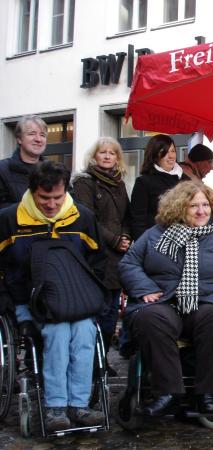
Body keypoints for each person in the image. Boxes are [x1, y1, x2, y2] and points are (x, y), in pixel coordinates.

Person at [119, 181, 213, 417]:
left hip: (212, 300)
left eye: (205, 205)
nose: (201, 211)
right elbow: (128, 263)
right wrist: (143, 287)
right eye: (193, 206)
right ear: (178, 208)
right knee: (149, 318)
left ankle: (209, 393)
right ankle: (166, 392)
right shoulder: (155, 234)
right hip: (165, 301)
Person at [0, 161, 106, 431]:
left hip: (75, 299)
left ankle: (79, 404)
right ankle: (56, 406)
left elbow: (98, 261)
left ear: (65, 192)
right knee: (57, 334)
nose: (51, 204)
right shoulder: (11, 219)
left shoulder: (82, 217)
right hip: (30, 301)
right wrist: (9, 301)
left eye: (57, 197)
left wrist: (90, 293)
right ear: (32, 191)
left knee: (85, 333)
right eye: (44, 198)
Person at [71, 137, 132, 374]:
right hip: (95, 255)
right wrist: (115, 240)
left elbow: (126, 217)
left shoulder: (119, 184)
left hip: (117, 259)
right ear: (94, 156)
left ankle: (102, 359)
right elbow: (88, 219)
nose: (107, 156)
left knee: (109, 316)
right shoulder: (84, 183)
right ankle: (90, 362)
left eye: (112, 153)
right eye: (102, 152)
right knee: (96, 313)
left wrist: (125, 237)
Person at [130, 134, 187, 240]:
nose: (171, 156)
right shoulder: (143, 182)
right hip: (155, 242)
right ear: (154, 155)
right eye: (164, 152)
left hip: (183, 242)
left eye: (173, 151)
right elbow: (137, 221)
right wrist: (145, 246)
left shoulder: (185, 180)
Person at [0, 115, 47, 209]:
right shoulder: (2, 170)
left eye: (42, 135)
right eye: (32, 134)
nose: (38, 139)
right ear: (19, 139)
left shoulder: (54, 170)